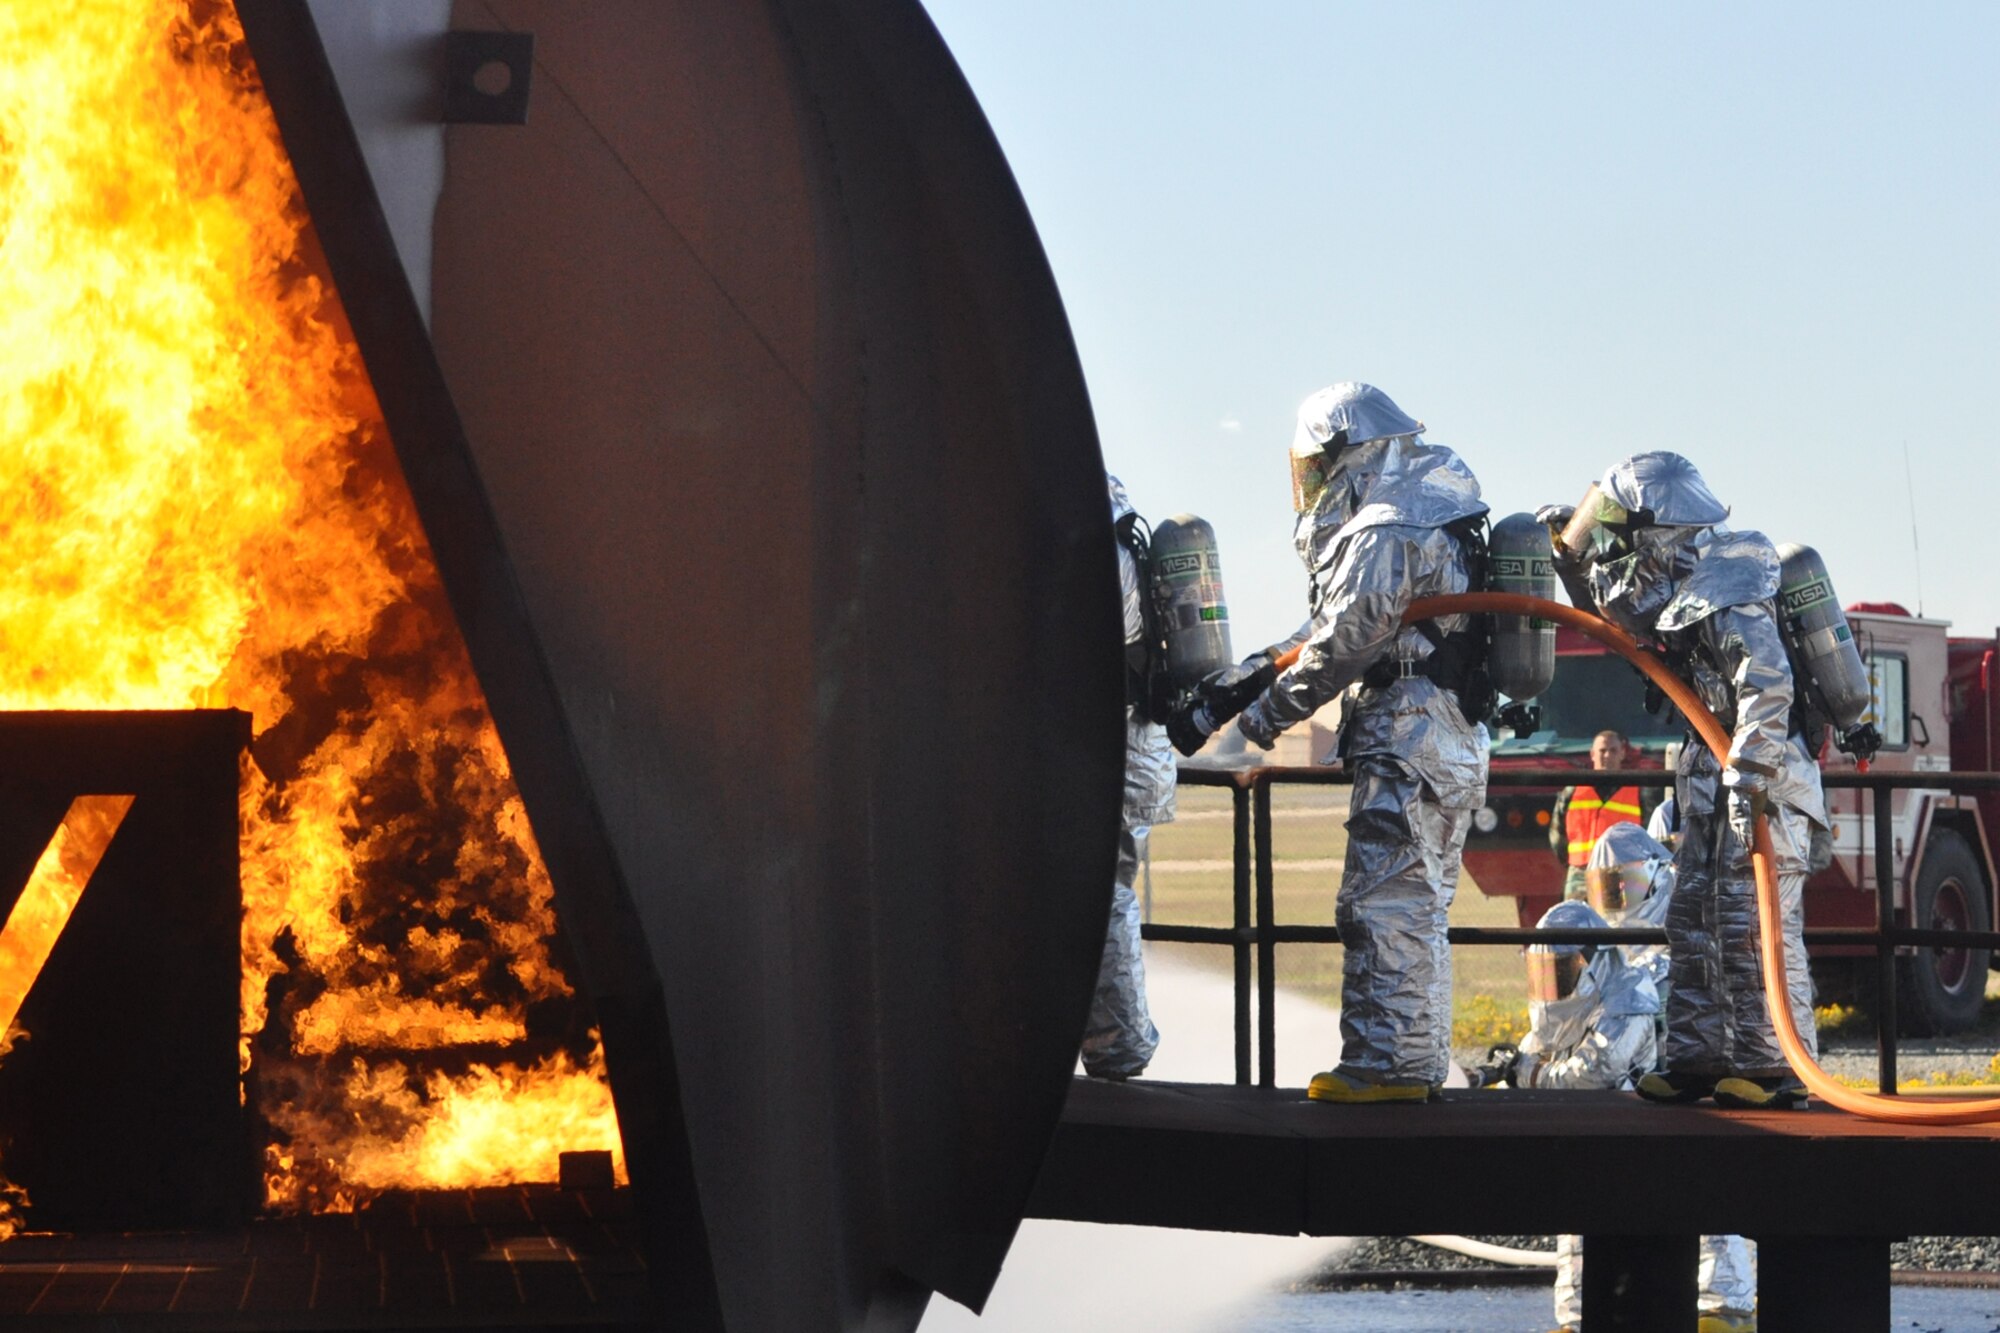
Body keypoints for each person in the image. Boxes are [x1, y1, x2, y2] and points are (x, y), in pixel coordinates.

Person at [1182, 382, 1489, 1103]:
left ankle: (1385, 1066)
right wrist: (1242, 681)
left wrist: (1261, 722)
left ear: (1351, 456)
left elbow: (1342, 644)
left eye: (1316, 470)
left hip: (1405, 731)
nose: (1311, 489)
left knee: (1382, 903)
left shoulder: (1388, 525)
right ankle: (1409, 1062)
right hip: (1439, 732)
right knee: (1415, 906)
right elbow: (1332, 631)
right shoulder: (1427, 509)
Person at [1541, 452, 1822, 1109]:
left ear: (1656, 535)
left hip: (1764, 782)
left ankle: (1772, 1066)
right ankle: (1699, 1059)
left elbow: (1768, 682)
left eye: (1616, 538)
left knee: (1752, 924)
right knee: (1693, 919)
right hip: (1712, 773)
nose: (1610, 555)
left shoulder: (1733, 580)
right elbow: (1619, 630)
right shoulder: (1679, 596)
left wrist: (1749, 773)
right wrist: (1572, 564)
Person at [1468, 898, 1757, 1333]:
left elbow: (1590, 1074)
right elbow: (1535, 1051)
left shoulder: (1629, 1002)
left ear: (1593, 964)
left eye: (1561, 971)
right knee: (1574, 1227)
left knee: (1709, 1218)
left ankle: (1724, 1309)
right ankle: (1574, 1319)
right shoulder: (1568, 1010)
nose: (1552, 985)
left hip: (1654, 1142)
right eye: (1544, 973)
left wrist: (1525, 1073)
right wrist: (1502, 1067)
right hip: (1600, 1143)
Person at [1086, 476, 1173, 1079]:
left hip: (1109, 744)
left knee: (1102, 897)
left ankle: (1120, 1048)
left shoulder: (1103, 554)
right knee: (1107, 892)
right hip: (1137, 747)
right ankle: (1115, 1044)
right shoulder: (1128, 548)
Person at [1548, 729, 1660, 901]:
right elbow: (1557, 836)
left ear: (1622, 753)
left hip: (1625, 874)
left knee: (1619, 926)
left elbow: (1650, 836)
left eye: (1613, 750)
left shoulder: (1639, 792)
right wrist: (1573, 862)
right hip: (1580, 874)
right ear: (1592, 754)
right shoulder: (1572, 791)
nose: (1607, 755)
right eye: (1602, 751)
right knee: (1575, 923)